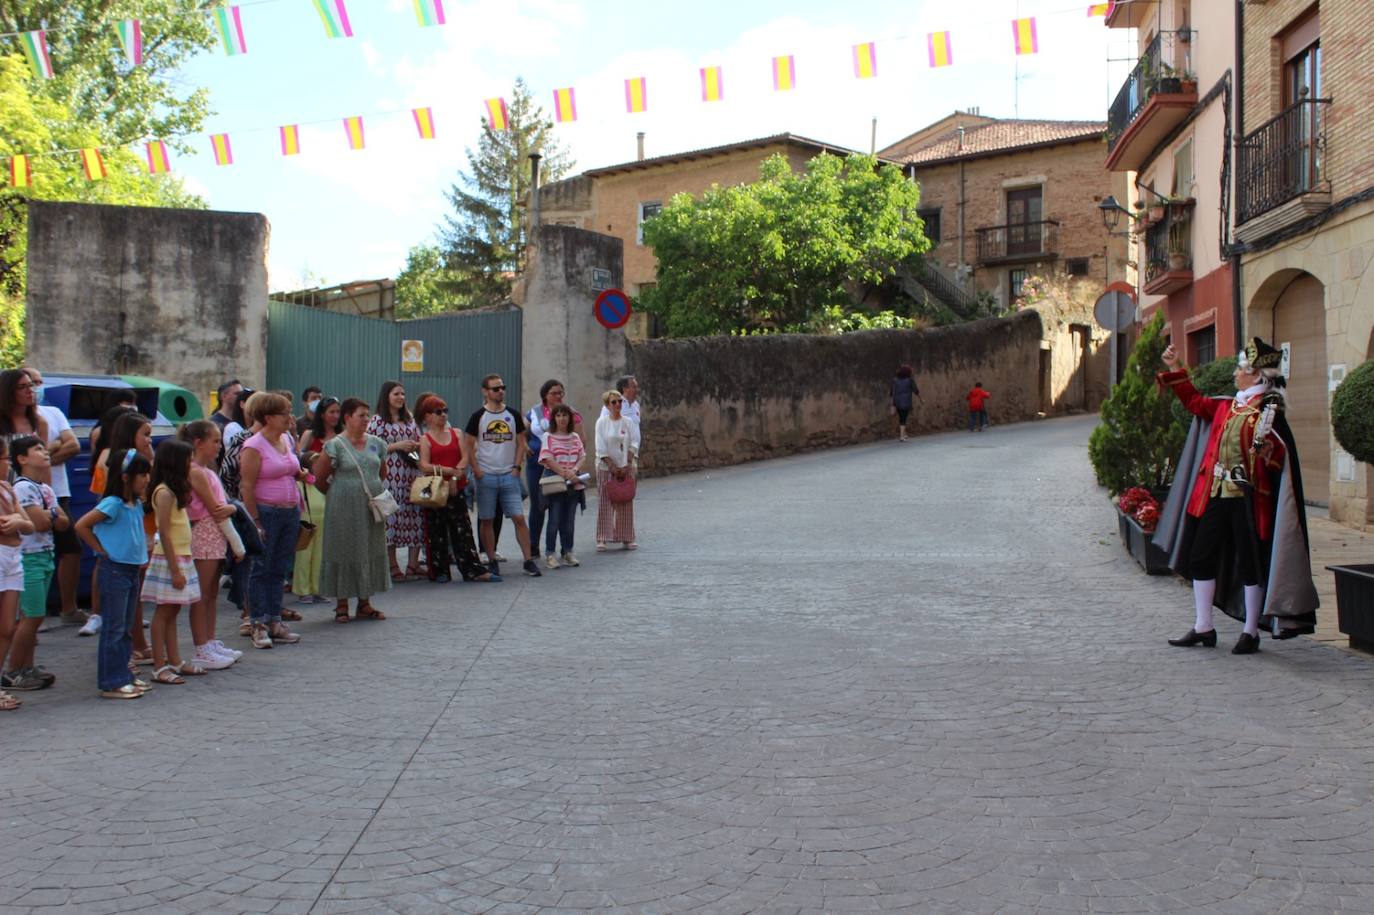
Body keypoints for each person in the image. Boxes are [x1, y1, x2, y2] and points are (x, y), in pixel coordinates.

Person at [1157, 337, 1318, 654]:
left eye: (1240, 369)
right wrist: (1175, 367)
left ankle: (1250, 632)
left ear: (1256, 375)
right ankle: (1204, 626)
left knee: (1249, 563)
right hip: (1214, 494)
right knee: (1200, 557)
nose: (1234, 374)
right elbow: (1194, 402)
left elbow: (1278, 460)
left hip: (1249, 499)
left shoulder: (1270, 413)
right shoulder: (1226, 407)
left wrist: (1268, 450)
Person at [74, 449, 153, 700]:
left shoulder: (136, 504)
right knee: (115, 627)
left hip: (131, 569)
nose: (146, 479)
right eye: (142, 474)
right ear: (126, 477)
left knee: (127, 627)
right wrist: (100, 550)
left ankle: (124, 674)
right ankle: (111, 680)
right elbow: (82, 525)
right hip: (115, 569)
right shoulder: (113, 504)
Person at [80, 411, 156, 659]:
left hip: (140, 532)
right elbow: (95, 512)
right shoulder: (112, 464)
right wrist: (102, 549)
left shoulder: (143, 461)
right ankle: (131, 649)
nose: (149, 440)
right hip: (121, 541)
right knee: (123, 606)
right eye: (145, 435)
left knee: (135, 594)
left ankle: (133, 646)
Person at [313, 398, 391, 621]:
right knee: (344, 548)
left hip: (370, 506)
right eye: (361, 415)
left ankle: (365, 602)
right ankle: (342, 604)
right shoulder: (335, 445)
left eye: (368, 415)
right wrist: (340, 492)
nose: (366, 420)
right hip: (343, 508)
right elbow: (318, 477)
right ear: (347, 418)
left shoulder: (377, 443)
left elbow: (381, 472)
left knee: (368, 548)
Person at [239, 391, 304, 649]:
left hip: (290, 509)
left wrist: (300, 473)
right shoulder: (254, 446)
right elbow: (247, 485)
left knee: (279, 567)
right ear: (268, 417)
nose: (289, 417)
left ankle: (275, 619)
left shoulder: (286, 439)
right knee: (260, 568)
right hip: (267, 511)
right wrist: (254, 520)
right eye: (284, 413)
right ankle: (258, 622)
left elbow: (291, 468)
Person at [23, 368, 86, 627]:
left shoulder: (53, 414)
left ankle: (67, 608)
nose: (36, 387)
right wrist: (53, 449)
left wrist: (44, 459)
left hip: (57, 493)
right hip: (25, 495)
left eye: (38, 382)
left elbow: (73, 445)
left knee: (70, 548)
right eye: (30, 383)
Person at [463, 374, 542, 578]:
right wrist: (476, 469)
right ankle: (491, 559)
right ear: (485, 391)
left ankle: (528, 560)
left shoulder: (513, 415)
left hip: (509, 474)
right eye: (495, 388)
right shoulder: (478, 416)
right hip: (486, 475)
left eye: (502, 388)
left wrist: (516, 467)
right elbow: (468, 445)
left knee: (518, 517)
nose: (500, 391)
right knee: (487, 519)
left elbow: (521, 442)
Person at [142, 439, 205, 683]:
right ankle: (160, 665)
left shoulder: (173, 491)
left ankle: (175, 659)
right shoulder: (164, 492)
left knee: (173, 609)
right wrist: (175, 569)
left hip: (181, 555)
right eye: (188, 460)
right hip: (171, 558)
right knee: (164, 611)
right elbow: (164, 532)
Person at [416, 395, 496, 583]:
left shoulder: (457, 433)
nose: (443, 415)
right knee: (436, 532)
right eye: (438, 412)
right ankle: (440, 570)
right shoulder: (425, 439)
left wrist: (454, 476)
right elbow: (424, 465)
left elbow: (465, 457)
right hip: (435, 491)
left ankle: (472, 570)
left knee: (463, 530)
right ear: (427, 416)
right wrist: (448, 471)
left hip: (456, 489)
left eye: (445, 411)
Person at [6, 437, 63, 692]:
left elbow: (64, 522)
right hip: (29, 558)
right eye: (38, 449)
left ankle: (26, 666)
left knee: (33, 617)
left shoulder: (46, 489)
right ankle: (14, 670)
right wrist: (50, 515)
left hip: (45, 555)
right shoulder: (22, 488)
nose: (45, 452)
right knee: (32, 616)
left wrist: (48, 515)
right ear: (22, 459)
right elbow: (39, 523)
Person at [181, 421, 239, 671]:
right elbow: (216, 506)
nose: (219, 446)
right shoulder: (194, 471)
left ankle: (211, 639)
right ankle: (201, 646)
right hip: (204, 533)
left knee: (212, 592)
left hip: (215, 533)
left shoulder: (208, 470)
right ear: (198, 443)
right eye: (214, 441)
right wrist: (233, 507)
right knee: (201, 594)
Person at [368, 381, 425, 580]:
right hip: (389, 476)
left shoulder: (409, 419)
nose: (400, 397)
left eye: (402, 394)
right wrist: (397, 446)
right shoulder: (377, 421)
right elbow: (371, 449)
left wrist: (415, 446)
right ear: (386, 397)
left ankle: (413, 564)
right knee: (390, 520)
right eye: (396, 394)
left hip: (411, 475)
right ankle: (392, 565)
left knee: (415, 517)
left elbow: (420, 441)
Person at [525, 379, 584, 561]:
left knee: (562, 511)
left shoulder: (570, 413)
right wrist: (525, 447)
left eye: (561, 392)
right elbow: (522, 433)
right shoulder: (533, 412)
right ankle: (534, 545)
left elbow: (581, 440)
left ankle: (565, 549)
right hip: (538, 466)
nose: (558, 396)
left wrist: (573, 468)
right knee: (538, 505)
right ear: (545, 395)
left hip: (566, 468)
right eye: (554, 393)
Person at [294, 396, 341, 603]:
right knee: (307, 543)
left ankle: (319, 586)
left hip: (335, 490)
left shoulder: (342, 436)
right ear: (322, 414)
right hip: (311, 491)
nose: (335, 416)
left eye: (338, 412)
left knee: (325, 545)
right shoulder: (310, 434)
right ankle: (303, 588)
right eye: (331, 412)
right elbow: (298, 458)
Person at [0, 438, 34, 710]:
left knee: (8, 627)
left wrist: (18, 521)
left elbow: (29, 525)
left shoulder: (7, 489)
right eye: (4, 459)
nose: (7, 464)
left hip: (14, 558)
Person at [538, 404, 587, 568]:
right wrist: (564, 473)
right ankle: (550, 554)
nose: (562, 418)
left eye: (565, 415)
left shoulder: (574, 436)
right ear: (554, 419)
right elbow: (547, 458)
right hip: (555, 482)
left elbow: (582, 455)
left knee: (569, 521)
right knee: (554, 520)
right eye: (558, 415)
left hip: (573, 483)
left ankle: (567, 552)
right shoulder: (548, 436)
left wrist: (573, 471)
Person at [594, 389, 640, 551]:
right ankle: (603, 537)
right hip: (606, 468)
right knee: (605, 502)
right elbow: (600, 447)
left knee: (625, 501)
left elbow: (634, 442)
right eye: (614, 402)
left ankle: (627, 537)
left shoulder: (628, 422)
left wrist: (627, 462)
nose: (618, 405)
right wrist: (613, 467)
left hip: (626, 467)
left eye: (620, 401)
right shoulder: (602, 422)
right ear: (607, 405)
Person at [0, 367, 49, 456]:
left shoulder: (39, 422)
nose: (30, 391)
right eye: (21, 387)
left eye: (31, 385)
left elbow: (43, 459)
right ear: (8, 391)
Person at [889, 364, 922, 442]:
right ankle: (901, 436)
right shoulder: (910, 380)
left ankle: (904, 434)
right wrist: (921, 399)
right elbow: (916, 391)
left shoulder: (895, 380)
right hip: (906, 401)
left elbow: (891, 392)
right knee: (903, 418)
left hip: (897, 401)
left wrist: (892, 403)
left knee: (902, 417)